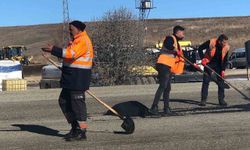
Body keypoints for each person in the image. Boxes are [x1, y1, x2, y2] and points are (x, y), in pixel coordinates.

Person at [42, 20, 93, 141]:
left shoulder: (83, 40)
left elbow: (71, 54)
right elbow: (68, 56)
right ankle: (74, 127)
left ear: (79, 29)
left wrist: (54, 49)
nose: (70, 31)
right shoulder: (75, 41)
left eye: (72, 29)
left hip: (78, 78)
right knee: (63, 101)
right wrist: (55, 52)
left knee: (77, 105)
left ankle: (82, 131)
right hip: (70, 77)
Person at [149, 25, 185, 116]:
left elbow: (180, 56)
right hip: (163, 64)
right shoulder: (170, 38)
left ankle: (166, 108)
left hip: (168, 66)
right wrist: (174, 50)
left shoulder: (177, 43)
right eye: (182, 32)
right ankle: (154, 107)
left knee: (167, 88)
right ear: (177, 32)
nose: (183, 34)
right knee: (163, 86)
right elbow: (168, 45)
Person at [198, 34, 229, 106]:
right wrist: (202, 58)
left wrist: (223, 70)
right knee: (206, 81)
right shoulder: (211, 42)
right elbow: (200, 48)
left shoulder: (226, 47)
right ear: (219, 41)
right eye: (224, 42)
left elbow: (225, 60)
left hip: (219, 65)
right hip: (209, 63)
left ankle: (221, 100)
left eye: (226, 42)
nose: (225, 44)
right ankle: (203, 100)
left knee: (221, 82)